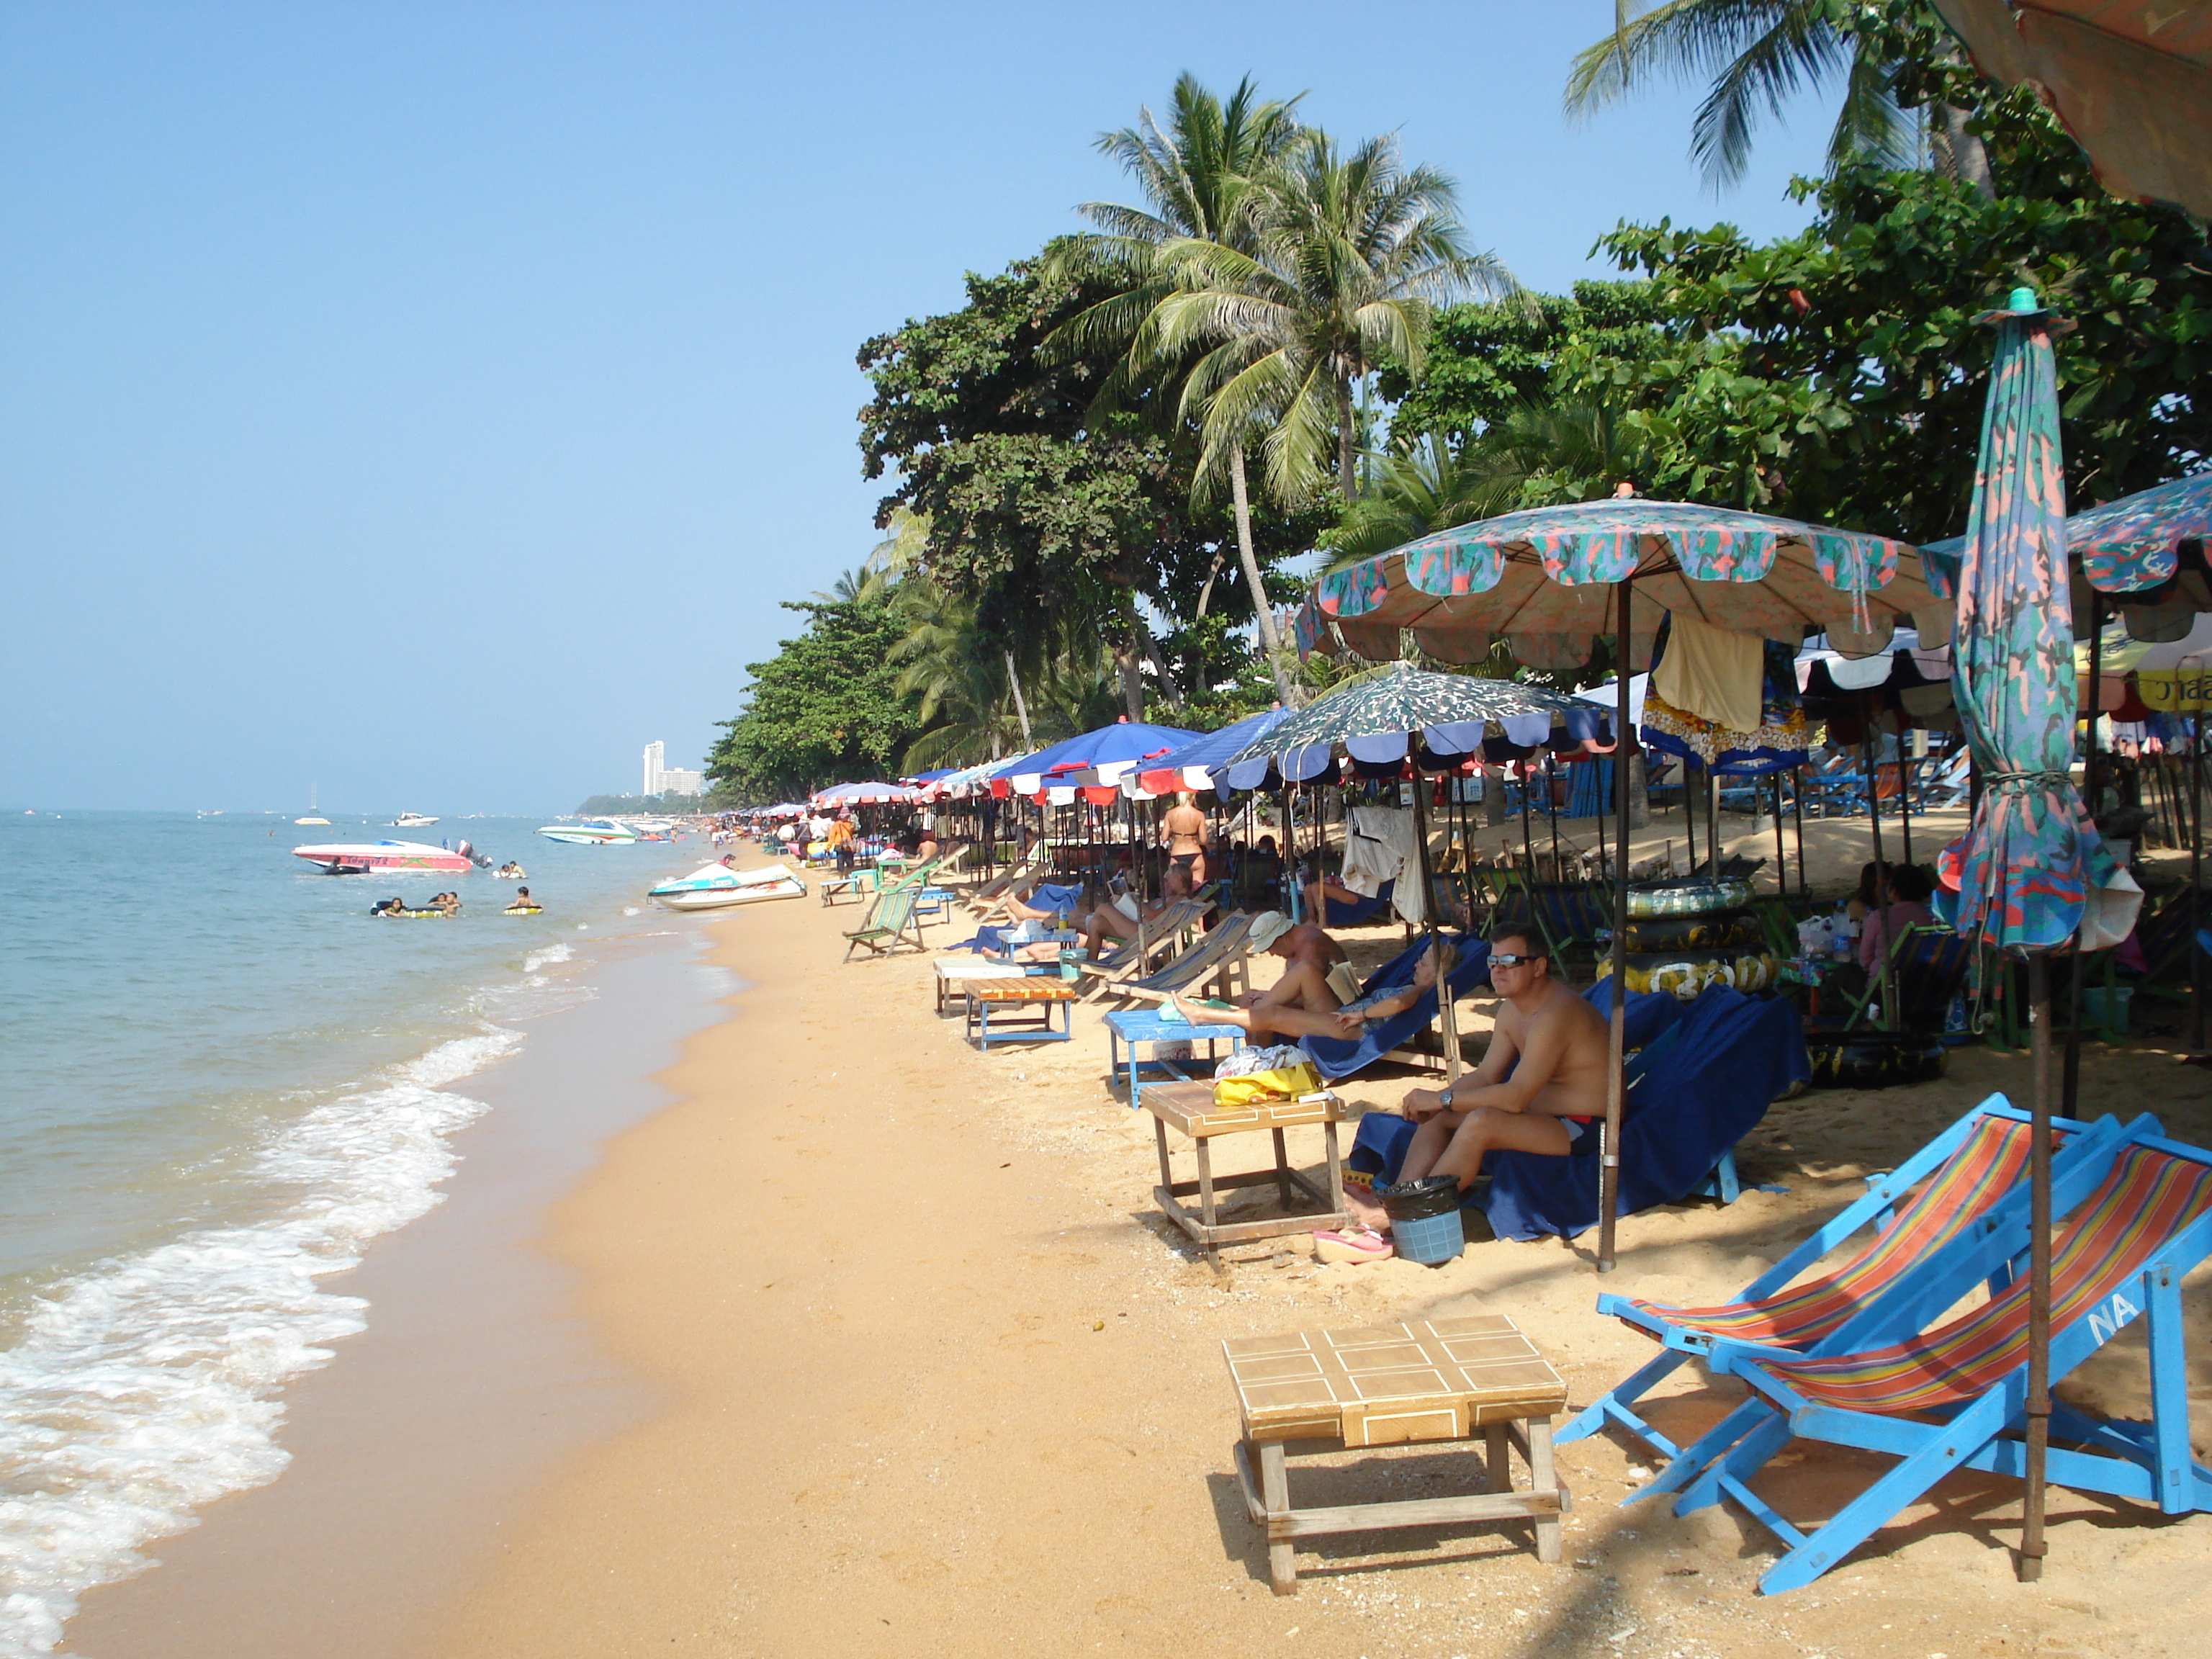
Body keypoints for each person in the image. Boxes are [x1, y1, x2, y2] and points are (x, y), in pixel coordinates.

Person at [1346, 925, 1610, 1230]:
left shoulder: (1556, 1013)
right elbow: (1486, 1075)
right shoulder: (1513, 1010)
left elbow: (1516, 1096)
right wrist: (1439, 1103)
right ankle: (1395, 1202)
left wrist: (1444, 1099)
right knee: (1439, 1117)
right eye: (1493, 962)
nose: (1498, 970)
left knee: (1480, 1122)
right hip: (1545, 1113)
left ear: (1539, 966)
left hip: (1585, 1125)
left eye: (1510, 961)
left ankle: (1402, 1217)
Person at [1170, 934, 1454, 1045]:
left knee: (1276, 1015)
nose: (1417, 963)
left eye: (1425, 962)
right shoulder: (1413, 986)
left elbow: (1397, 1005)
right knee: (1275, 1009)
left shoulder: (1419, 991)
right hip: (1346, 1017)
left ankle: (1204, 1015)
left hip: (1352, 1027)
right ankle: (1226, 1019)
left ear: (1438, 972)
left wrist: (1362, 1014)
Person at [1858, 862, 1935, 974]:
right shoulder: (1927, 916)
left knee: (1842, 973)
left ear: (1894, 890)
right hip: (1919, 979)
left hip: (1885, 983)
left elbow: (1865, 960)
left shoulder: (1880, 916)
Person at [1161, 793, 1210, 886]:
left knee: (1174, 889)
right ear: (1193, 796)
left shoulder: (1170, 814)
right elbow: (1203, 840)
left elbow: (1164, 838)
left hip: (1177, 853)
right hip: (1195, 852)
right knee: (1197, 888)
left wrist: (1175, 834)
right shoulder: (1199, 815)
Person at [827, 812, 856, 876]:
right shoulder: (837, 824)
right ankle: (843, 876)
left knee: (848, 863)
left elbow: (832, 836)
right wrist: (829, 846)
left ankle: (845, 875)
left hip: (846, 846)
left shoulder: (849, 824)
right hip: (841, 846)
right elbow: (832, 836)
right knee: (842, 863)